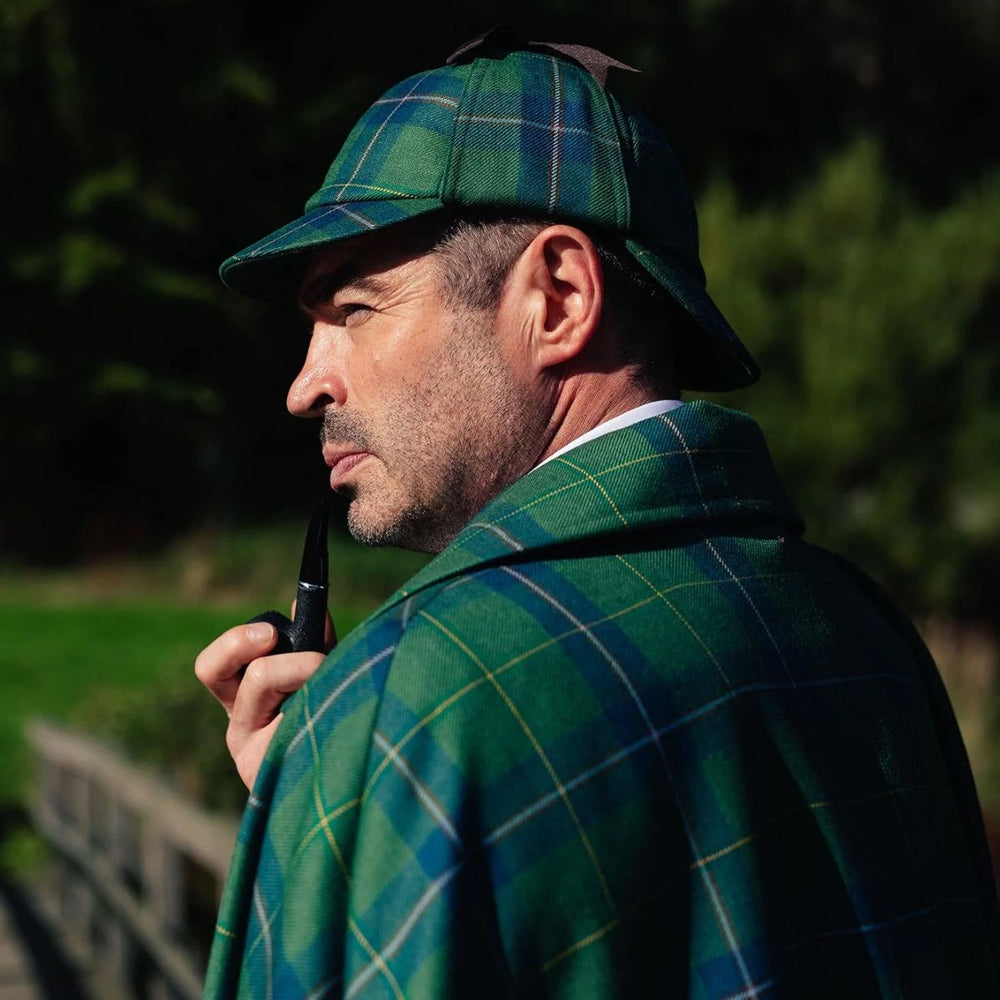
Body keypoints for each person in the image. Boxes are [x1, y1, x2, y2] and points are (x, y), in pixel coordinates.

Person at [195, 29, 1000, 999]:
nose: (302, 385)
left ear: (559, 295)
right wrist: (342, 814)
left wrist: (343, 783)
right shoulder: (869, 635)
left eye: (355, 308)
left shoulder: (410, 702)